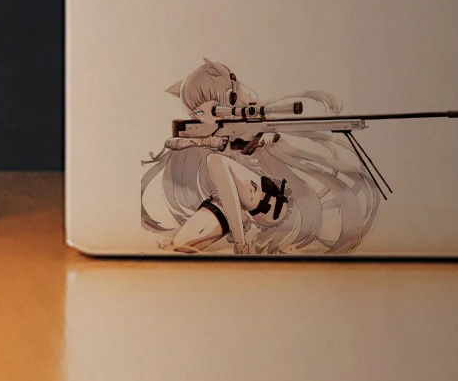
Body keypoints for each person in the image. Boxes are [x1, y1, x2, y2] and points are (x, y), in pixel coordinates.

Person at [141, 59, 382, 255]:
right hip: (230, 201)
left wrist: (264, 139)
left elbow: (270, 139)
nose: (203, 116)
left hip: (266, 200)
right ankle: (231, 238)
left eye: (207, 109)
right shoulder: (212, 129)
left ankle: (241, 243)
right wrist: (207, 141)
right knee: (180, 245)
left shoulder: (250, 121)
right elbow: (177, 141)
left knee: (217, 162)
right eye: (199, 112)